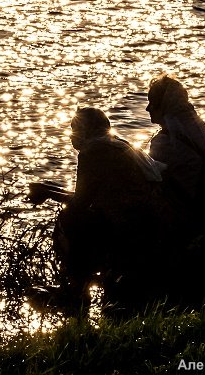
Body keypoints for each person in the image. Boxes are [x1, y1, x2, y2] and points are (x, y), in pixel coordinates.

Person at [27, 107, 168, 307]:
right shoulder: (121, 145)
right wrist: (49, 189)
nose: (71, 136)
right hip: (150, 221)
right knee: (81, 215)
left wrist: (48, 193)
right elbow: (89, 196)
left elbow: (80, 202)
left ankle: (77, 292)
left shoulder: (93, 151)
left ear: (85, 131)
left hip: (128, 225)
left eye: (74, 129)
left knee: (70, 218)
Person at [146, 74, 205, 234]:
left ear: (162, 105)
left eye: (152, 102)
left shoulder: (167, 140)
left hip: (185, 214)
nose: (147, 108)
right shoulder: (198, 128)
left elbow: (150, 177)